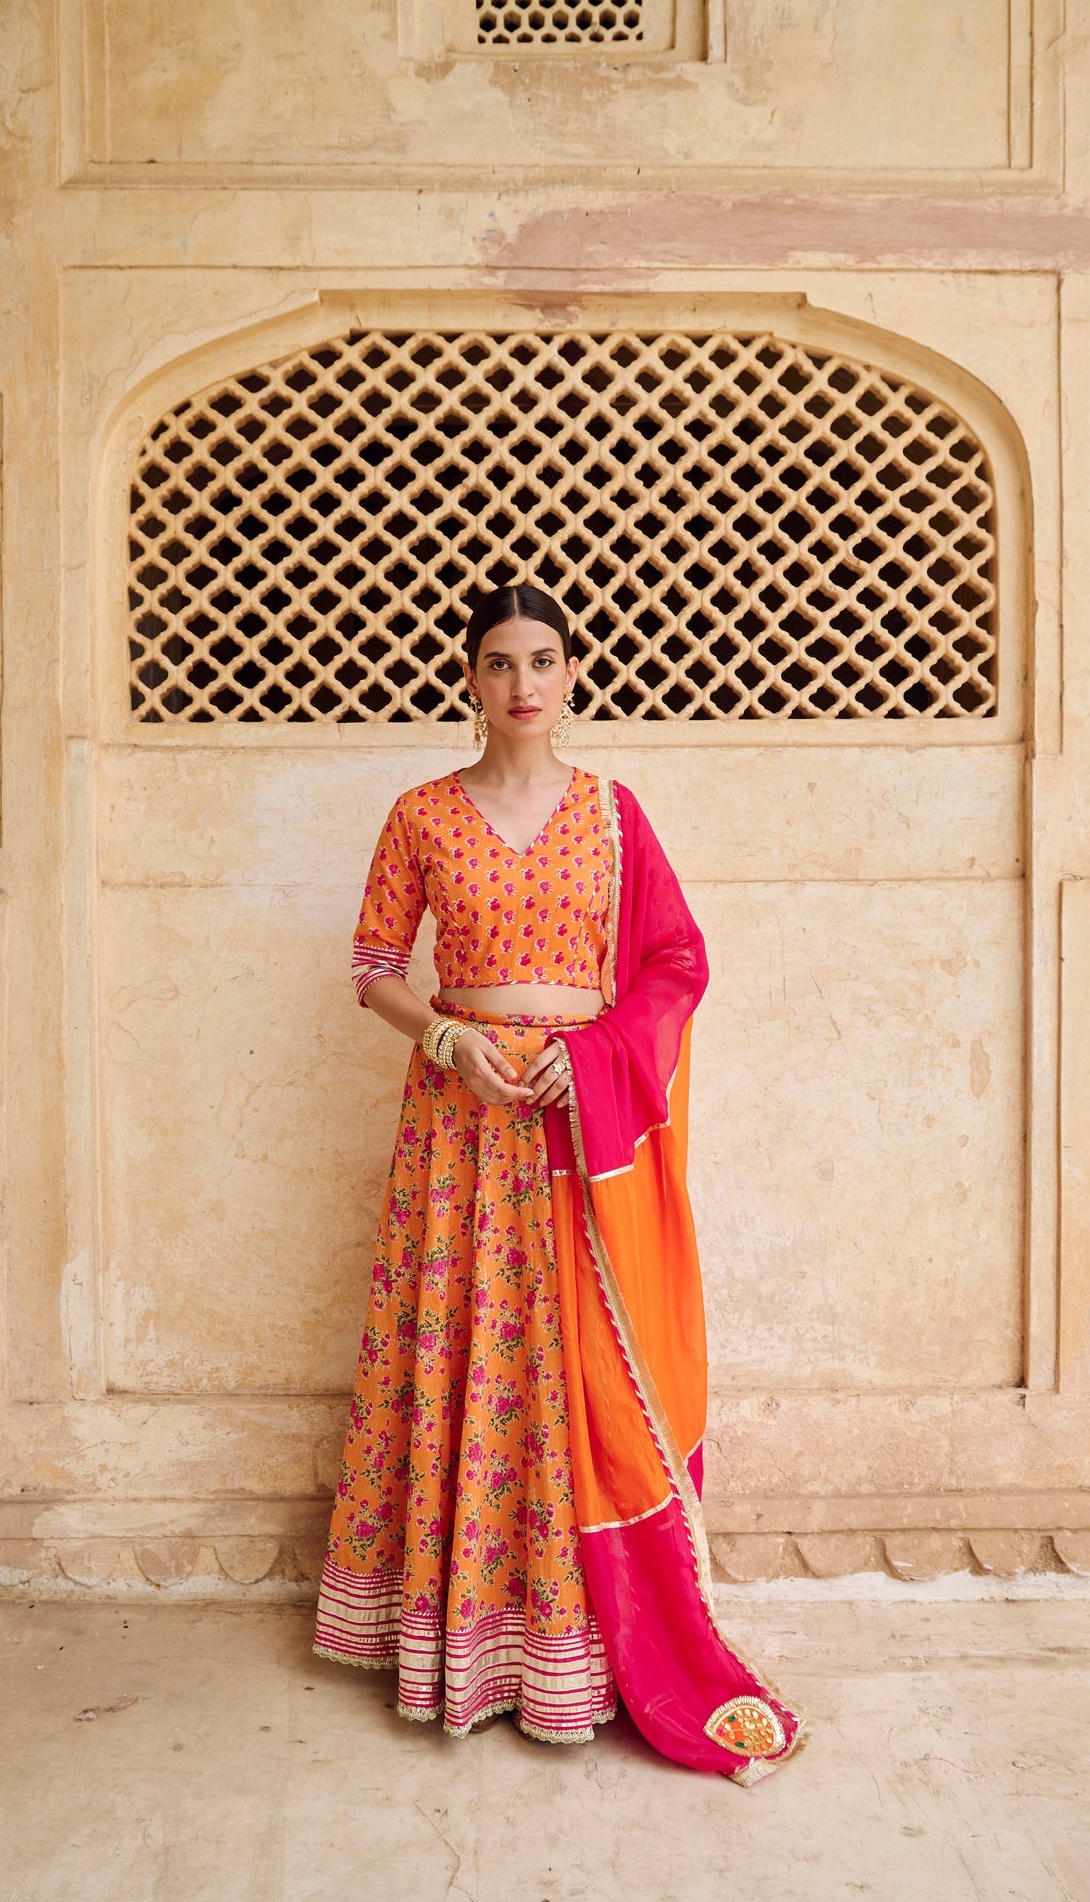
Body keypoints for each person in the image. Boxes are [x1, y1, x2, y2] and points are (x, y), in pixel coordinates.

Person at [312, 582, 808, 1784]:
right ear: (468, 678)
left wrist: (591, 1065)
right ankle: (461, 1642)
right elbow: (376, 962)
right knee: (469, 1351)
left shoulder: (613, 813)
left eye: (544, 658)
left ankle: (579, 1641)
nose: (523, 681)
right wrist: (444, 1040)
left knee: (573, 1367)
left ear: (572, 673)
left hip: (580, 1130)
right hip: (461, 1123)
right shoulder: (423, 814)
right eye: (499, 661)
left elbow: (675, 958)